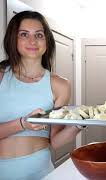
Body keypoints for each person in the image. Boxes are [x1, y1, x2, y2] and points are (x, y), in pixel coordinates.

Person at [0, 11, 84, 180]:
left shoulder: (60, 85)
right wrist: (23, 123)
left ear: (47, 41)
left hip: (41, 171)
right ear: (13, 39)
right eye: (24, 34)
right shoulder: (1, 76)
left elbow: (54, 141)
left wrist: (79, 124)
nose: (33, 41)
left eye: (39, 35)